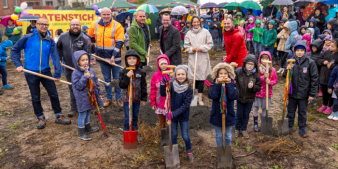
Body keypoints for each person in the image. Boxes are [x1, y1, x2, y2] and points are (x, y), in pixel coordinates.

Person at [11, 17, 71, 129]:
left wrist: (57, 74)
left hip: (45, 72)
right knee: (35, 97)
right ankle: (40, 117)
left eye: (46, 24)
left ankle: (58, 115)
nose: (44, 26)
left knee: (53, 94)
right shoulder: (28, 37)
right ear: (36, 25)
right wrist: (18, 65)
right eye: (41, 24)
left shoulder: (50, 40)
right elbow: (14, 50)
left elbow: (56, 57)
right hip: (30, 72)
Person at [88, 7, 125, 108]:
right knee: (106, 79)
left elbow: (120, 42)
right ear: (100, 15)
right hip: (102, 58)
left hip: (115, 58)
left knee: (117, 78)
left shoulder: (117, 26)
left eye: (108, 14)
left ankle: (118, 99)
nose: (106, 16)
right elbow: (90, 38)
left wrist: (113, 55)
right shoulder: (94, 24)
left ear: (111, 14)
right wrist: (92, 50)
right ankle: (109, 99)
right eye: (104, 14)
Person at [57, 19, 92, 117]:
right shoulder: (63, 37)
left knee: (85, 87)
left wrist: (86, 69)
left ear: (80, 26)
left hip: (81, 69)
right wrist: (59, 59)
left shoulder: (85, 38)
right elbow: (58, 48)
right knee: (72, 87)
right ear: (70, 25)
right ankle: (74, 108)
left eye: (77, 25)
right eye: (73, 25)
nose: (75, 26)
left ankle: (89, 106)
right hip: (68, 67)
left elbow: (87, 54)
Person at [284, 40, 318, 137]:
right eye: (297, 50)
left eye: (301, 50)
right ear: (294, 51)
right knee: (290, 110)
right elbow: (285, 76)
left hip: (304, 93)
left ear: (305, 51)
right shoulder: (291, 62)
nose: (299, 52)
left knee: (302, 111)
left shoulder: (310, 63)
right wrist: (287, 70)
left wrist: (312, 94)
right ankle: (289, 125)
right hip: (292, 92)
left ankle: (302, 127)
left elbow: (314, 79)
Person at [160, 65, 194, 162]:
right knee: (173, 134)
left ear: (186, 75)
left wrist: (173, 114)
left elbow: (185, 105)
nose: (180, 76)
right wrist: (163, 83)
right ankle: (175, 151)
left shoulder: (189, 88)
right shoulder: (171, 84)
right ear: (175, 75)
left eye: (183, 74)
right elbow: (163, 94)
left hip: (183, 116)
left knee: (185, 136)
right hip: (173, 116)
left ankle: (189, 149)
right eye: (178, 74)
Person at [71, 50, 102, 141]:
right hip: (82, 97)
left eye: (86, 59)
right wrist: (84, 77)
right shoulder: (75, 73)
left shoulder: (91, 70)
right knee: (83, 114)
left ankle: (88, 128)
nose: (85, 61)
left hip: (90, 96)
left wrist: (99, 93)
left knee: (88, 112)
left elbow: (95, 82)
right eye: (82, 60)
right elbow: (78, 86)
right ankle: (81, 133)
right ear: (77, 62)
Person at [208, 63, 239, 148]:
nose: (223, 75)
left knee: (228, 135)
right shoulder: (214, 84)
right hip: (217, 113)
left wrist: (229, 84)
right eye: (221, 73)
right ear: (217, 74)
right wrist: (217, 84)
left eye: (225, 73)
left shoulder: (232, 84)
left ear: (229, 74)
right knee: (218, 135)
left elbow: (234, 96)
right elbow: (212, 96)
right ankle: (220, 150)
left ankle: (227, 151)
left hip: (229, 113)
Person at [119, 49, 147, 140]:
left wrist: (143, 98)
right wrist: (127, 77)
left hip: (137, 99)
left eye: (134, 58)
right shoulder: (123, 71)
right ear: (126, 60)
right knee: (128, 118)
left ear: (137, 60)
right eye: (129, 58)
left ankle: (135, 133)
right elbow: (121, 85)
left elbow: (143, 85)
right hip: (127, 99)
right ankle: (127, 133)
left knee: (135, 117)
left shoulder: (140, 72)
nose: (131, 60)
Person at [184, 16, 213, 106]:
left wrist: (201, 48)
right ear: (192, 23)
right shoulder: (188, 33)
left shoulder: (205, 32)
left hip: (202, 57)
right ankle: (194, 97)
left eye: (197, 22)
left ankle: (200, 99)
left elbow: (210, 44)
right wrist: (192, 49)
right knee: (194, 78)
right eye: (194, 22)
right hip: (193, 58)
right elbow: (186, 45)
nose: (196, 24)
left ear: (200, 23)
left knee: (201, 78)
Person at [234, 54, 261, 138]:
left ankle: (243, 129)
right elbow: (232, 77)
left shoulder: (256, 75)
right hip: (240, 98)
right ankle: (237, 129)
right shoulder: (239, 71)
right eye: (248, 64)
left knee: (246, 114)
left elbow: (259, 87)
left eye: (252, 64)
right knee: (239, 114)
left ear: (255, 65)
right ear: (244, 63)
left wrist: (253, 87)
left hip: (250, 99)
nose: (249, 66)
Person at [253, 51, 278, 132]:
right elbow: (255, 79)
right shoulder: (257, 69)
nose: (264, 60)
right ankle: (255, 123)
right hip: (258, 92)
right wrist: (263, 78)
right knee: (256, 107)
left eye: (266, 58)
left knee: (265, 108)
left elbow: (275, 80)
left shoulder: (272, 70)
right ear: (260, 59)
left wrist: (270, 82)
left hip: (267, 93)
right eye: (263, 58)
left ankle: (263, 123)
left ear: (269, 59)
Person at [150, 54, 171, 134]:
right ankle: (163, 136)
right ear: (158, 65)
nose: (164, 65)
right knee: (162, 121)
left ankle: (170, 136)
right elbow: (153, 89)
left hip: (169, 102)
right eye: (161, 64)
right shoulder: (155, 76)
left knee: (169, 120)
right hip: (159, 102)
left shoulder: (171, 74)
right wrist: (153, 102)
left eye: (165, 63)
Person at [316, 39, 338, 115]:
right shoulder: (326, 52)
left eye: (333, 46)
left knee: (331, 93)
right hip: (323, 76)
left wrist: (332, 65)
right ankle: (324, 104)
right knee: (324, 92)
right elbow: (318, 59)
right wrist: (323, 62)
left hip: (332, 79)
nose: (330, 47)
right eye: (330, 46)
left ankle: (330, 106)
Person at [307, 39, 324, 107]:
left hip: (316, 74)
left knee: (314, 87)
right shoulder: (308, 54)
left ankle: (313, 101)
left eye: (315, 47)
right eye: (312, 46)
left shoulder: (321, 55)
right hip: (307, 73)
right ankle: (307, 99)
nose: (313, 48)